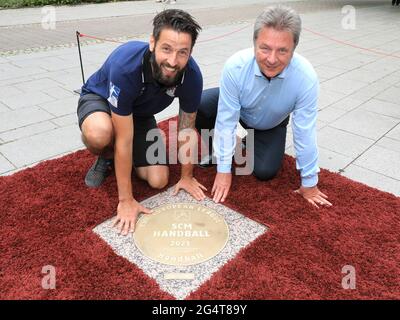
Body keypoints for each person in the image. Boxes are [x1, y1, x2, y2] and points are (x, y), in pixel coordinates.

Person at [77, 9, 205, 235]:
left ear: (191, 52)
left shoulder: (192, 76)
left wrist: (187, 176)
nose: (173, 61)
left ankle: (127, 161)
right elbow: (124, 140)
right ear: (153, 42)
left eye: (182, 52)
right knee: (101, 134)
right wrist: (126, 200)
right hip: (103, 101)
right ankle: (105, 157)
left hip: (140, 114)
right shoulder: (126, 66)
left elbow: (187, 128)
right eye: (166, 49)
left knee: (158, 180)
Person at [195, 5, 332, 209]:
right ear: (254, 43)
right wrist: (224, 170)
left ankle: (245, 144)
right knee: (202, 105)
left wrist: (309, 183)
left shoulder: (306, 78)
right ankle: (222, 149)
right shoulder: (236, 66)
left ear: (294, 49)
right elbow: (226, 119)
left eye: (282, 51)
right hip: (240, 109)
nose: (272, 59)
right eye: (265, 48)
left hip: (271, 122)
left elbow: (305, 131)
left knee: (265, 172)